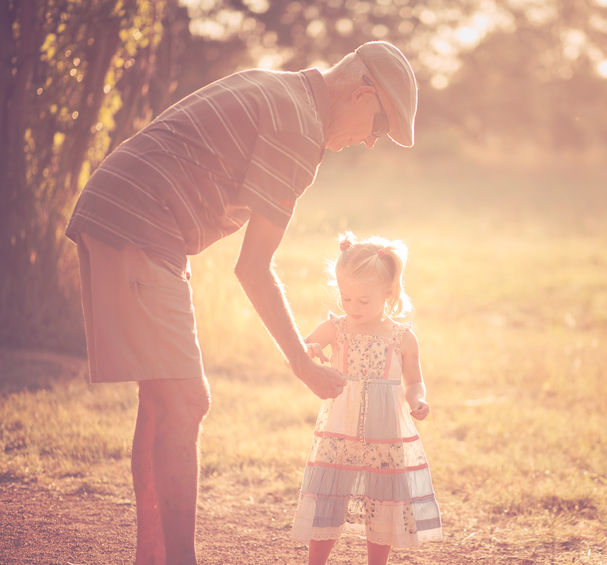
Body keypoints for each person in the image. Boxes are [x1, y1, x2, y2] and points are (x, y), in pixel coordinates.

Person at [64, 41, 418, 565]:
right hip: (142, 223)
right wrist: (301, 362)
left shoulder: (282, 89)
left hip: (119, 209)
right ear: (363, 94)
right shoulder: (300, 130)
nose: (369, 141)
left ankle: (152, 557)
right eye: (379, 126)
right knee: (185, 402)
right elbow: (253, 268)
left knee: (163, 403)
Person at [291, 232, 442, 565]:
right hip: (339, 430)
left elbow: (414, 380)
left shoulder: (402, 337)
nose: (352, 308)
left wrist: (418, 400)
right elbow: (303, 346)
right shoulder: (338, 328)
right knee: (329, 497)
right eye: (346, 298)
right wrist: (311, 349)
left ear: (388, 293)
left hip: (385, 433)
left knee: (382, 501)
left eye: (363, 301)